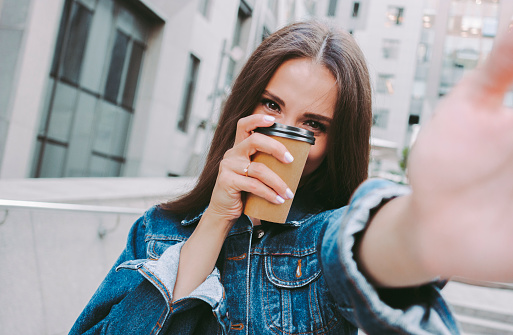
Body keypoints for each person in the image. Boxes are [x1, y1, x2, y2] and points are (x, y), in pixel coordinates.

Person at [69, 19, 513, 335]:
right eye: (271, 105)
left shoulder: (320, 240)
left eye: (313, 126)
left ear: (334, 142)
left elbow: (359, 246)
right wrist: (215, 222)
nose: (284, 134)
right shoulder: (156, 231)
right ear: (244, 107)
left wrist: (423, 227)